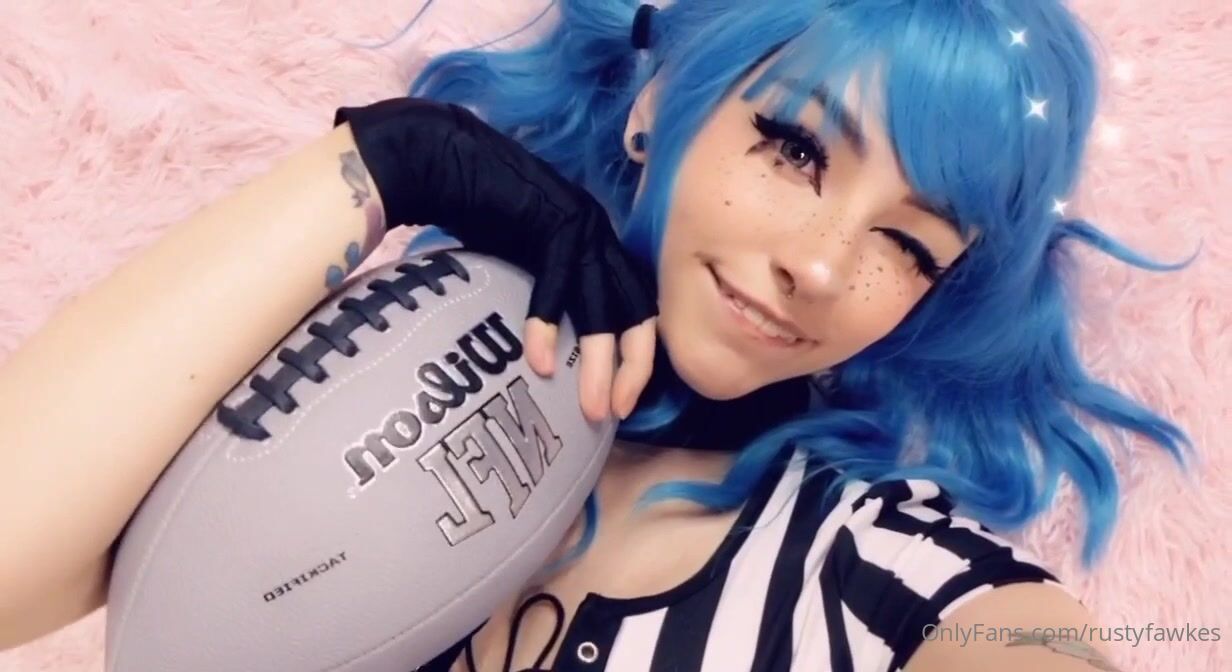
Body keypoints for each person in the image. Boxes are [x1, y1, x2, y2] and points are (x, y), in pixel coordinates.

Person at [0, 1, 1193, 672]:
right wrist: (388, 165)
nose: (825, 266)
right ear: (658, 105)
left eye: (909, 246)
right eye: (793, 149)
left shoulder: (883, 573)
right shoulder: (364, 397)